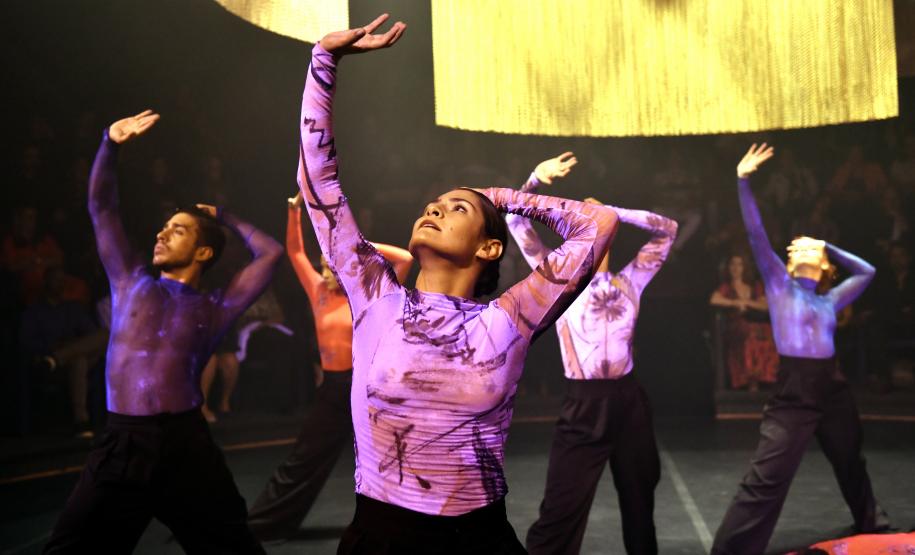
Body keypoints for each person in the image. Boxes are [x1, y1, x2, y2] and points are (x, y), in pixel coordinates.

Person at [298, 15, 619, 554]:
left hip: (478, 538)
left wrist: (499, 195)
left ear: (490, 247)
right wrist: (322, 63)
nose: (435, 208)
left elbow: (599, 224)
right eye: (433, 203)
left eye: (457, 208)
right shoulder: (376, 295)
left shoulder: (509, 319)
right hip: (381, 538)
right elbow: (319, 185)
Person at [44, 110, 283, 554]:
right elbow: (101, 207)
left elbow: (270, 253)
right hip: (123, 443)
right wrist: (109, 145)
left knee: (232, 547)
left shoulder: (217, 306)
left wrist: (223, 215)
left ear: (204, 250)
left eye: (178, 230)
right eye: (164, 227)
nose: (161, 234)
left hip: (185, 446)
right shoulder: (129, 282)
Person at [711, 144, 890, 555]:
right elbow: (756, 234)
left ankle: (871, 521)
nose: (805, 249)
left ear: (823, 263)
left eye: (813, 249)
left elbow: (869, 270)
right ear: (789, 262)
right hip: (795, 389)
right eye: (799, 247)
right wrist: (742, 181)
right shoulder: (778, 285)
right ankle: (731, 549)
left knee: (850, 459)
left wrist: (827, 245)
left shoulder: (830, 300)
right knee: (767, 475)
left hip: (833, 386)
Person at [506, 153, 677, 555]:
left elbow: (667, 230)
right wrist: (533, 178)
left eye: (602, 225)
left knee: (639, 500)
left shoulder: (631, 280)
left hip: (628, 400)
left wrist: (610, 212)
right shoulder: (558, 276)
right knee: (560, 509)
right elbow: (515, 218)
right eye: (588, 222)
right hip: (584, 405)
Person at [247, 191, 413, 540]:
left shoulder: (368, 292)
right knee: (305, 457)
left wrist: (356, 243)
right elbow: (294, 252)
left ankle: (413, 525)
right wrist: (293, 212)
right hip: (335, 387)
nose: (329, 267)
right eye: (326, 262)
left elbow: (405, 258)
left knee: (391, 457)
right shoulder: (318, 291)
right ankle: (264, 523)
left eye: (336, 261)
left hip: (369, 386)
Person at [709, 253, 778, 391]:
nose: (735, 268)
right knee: (748, 333)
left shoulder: (754, 286)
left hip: (755, 321)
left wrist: (746, 302)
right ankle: (750, 382)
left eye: (739, 264)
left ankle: (767, 379)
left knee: (769, 333)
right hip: (736, 325)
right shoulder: (726, 287)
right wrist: (734, 302)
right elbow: (714, 299)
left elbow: (765, 305)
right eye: (732, 264)